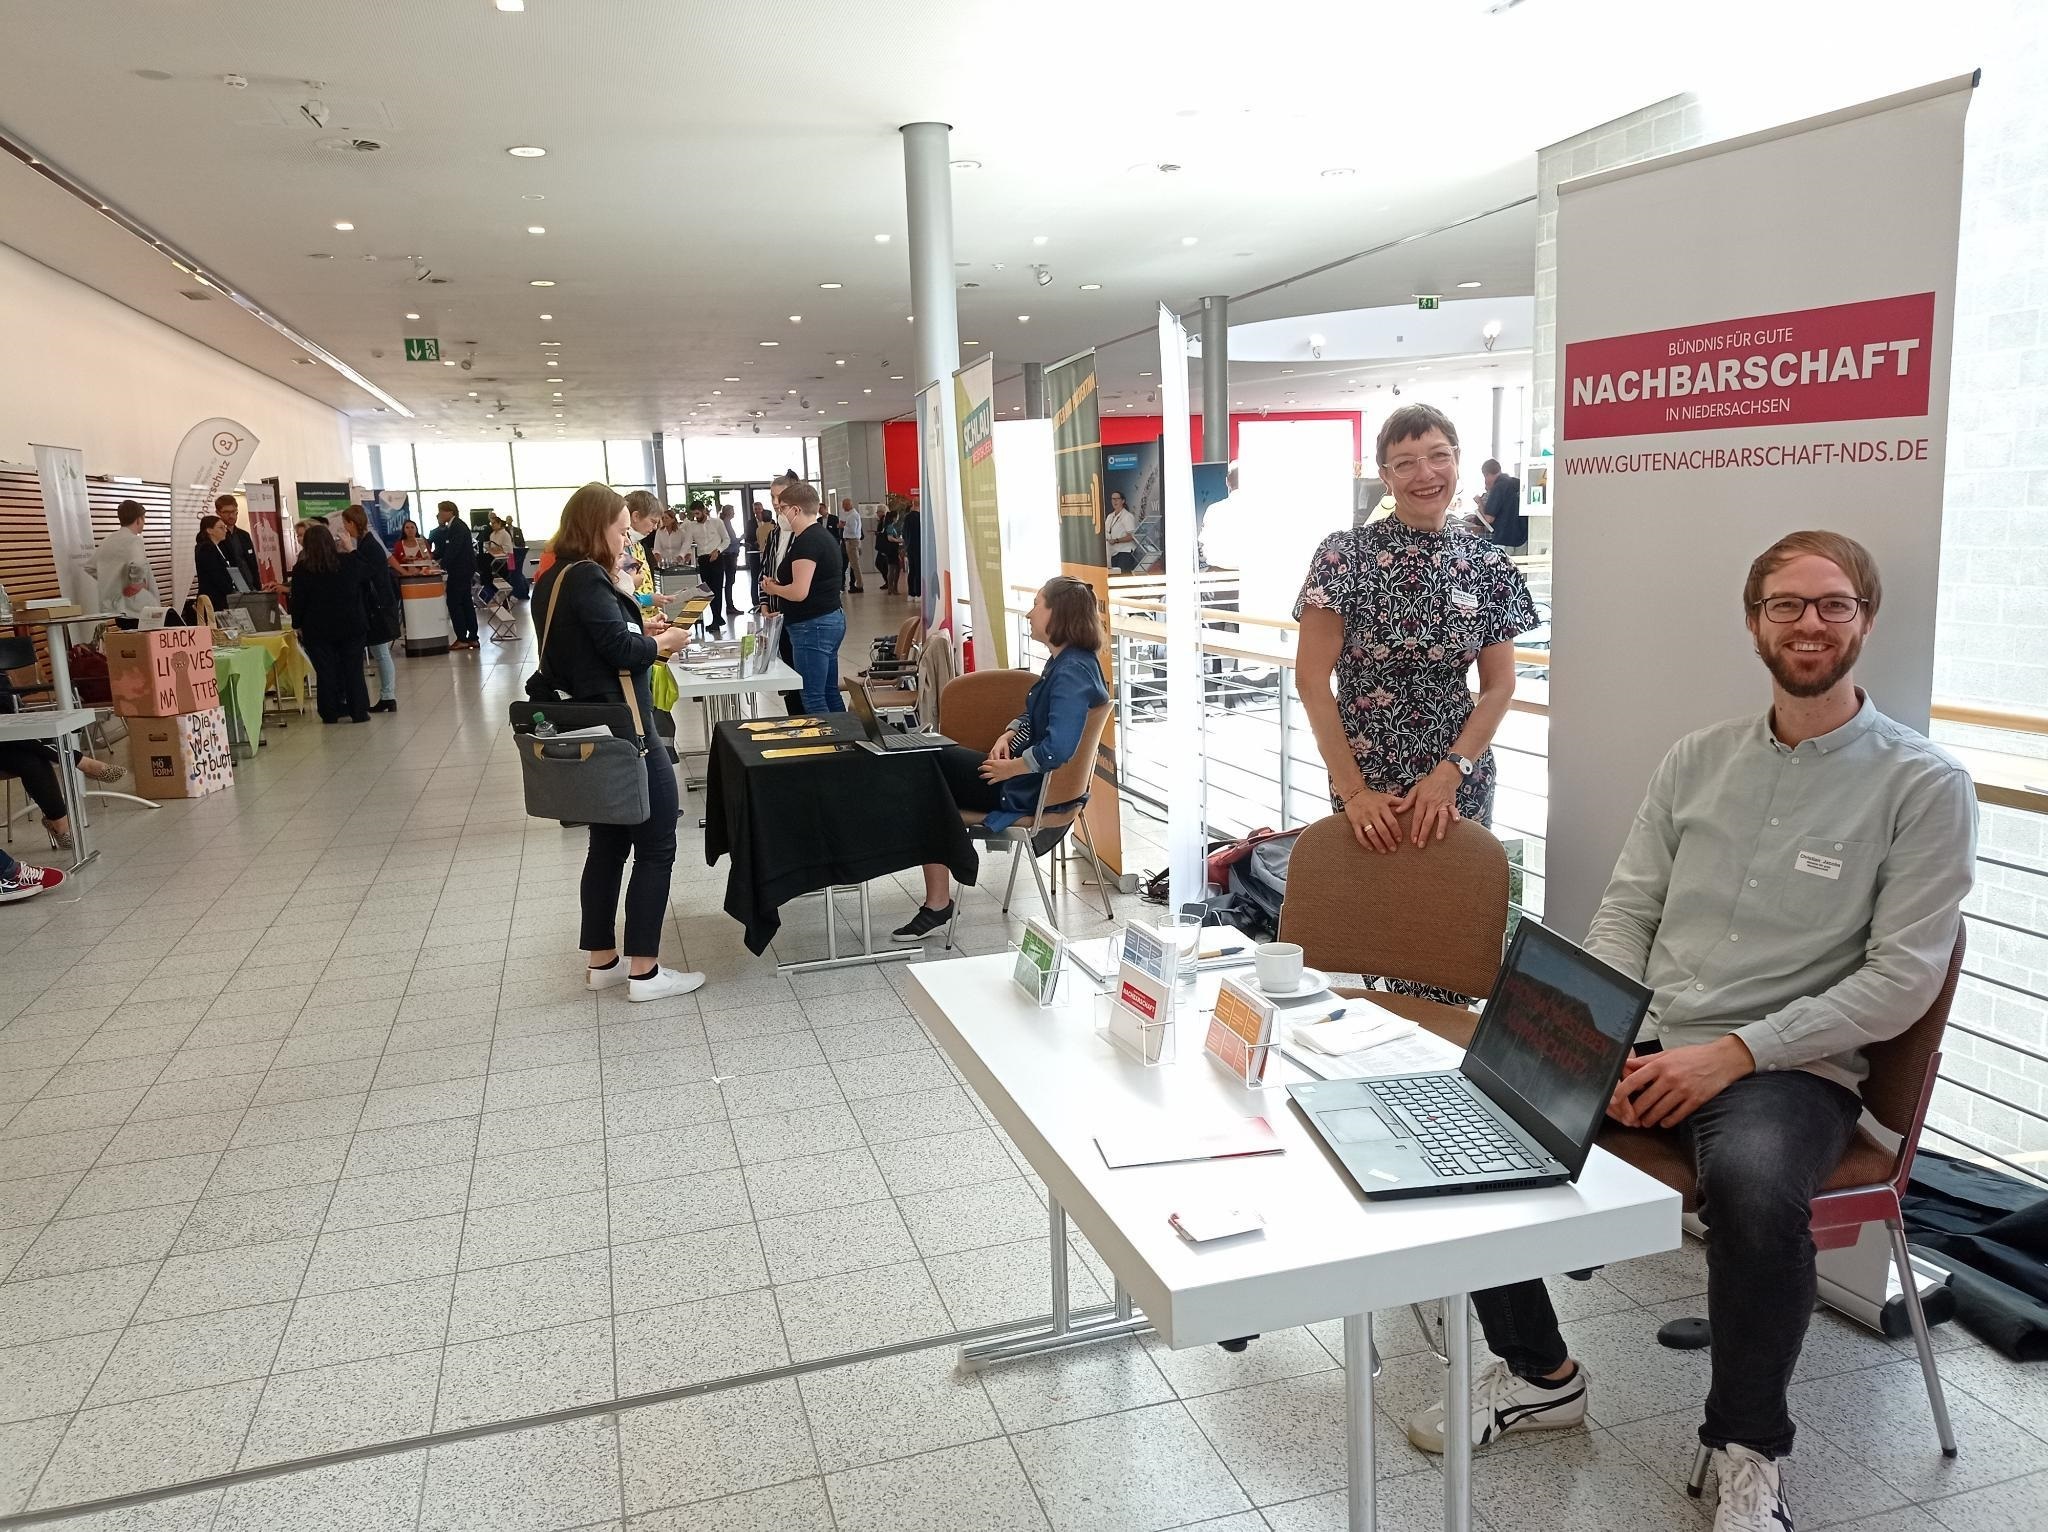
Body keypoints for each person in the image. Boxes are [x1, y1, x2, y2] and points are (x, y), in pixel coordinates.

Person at [1404, 531, 1976, 1532]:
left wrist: (1732, 1053)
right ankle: (1539, 1370)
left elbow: (1899, 980)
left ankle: (1745, 1445)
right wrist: (1607, 1034)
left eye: (1832, 604)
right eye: (1786, 604)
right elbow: (1627, 908)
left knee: (1755, 1191)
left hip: (1786, 1065)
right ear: (1753, 620)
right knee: (1476, 1112)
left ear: (1863, 621)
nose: (1809, 622)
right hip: (1653, 1034)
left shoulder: (1921, 785)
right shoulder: (1694, 760)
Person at [530, 482, 702, 1003]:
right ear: (596, 526)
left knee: (606, 845)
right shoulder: (587, 578)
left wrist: (635, 623)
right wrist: (660, 641)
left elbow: (585, 643)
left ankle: (602, 961)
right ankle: (645, 972)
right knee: (657, 843)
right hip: (626, 727)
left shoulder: (552, 577)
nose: (628, 540)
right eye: (622, 529)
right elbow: (617, 651)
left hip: (590, 724)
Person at [892, 576, 1109, 941]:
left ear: (1060, 615)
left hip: (1024, 789)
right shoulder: (1070, 663)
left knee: (924, 769)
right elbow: (1037, 715)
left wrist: (1012, 766)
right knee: (927, 767)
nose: (1028, 613)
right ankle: (943, 889)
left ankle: (939, 899)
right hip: (1024, 780)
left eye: (1037, 605)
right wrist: (1011, 732)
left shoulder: (1070, 671)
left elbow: (1058, 747)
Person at [760, 482, 845, 715]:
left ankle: (828, 746)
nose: (780, 513)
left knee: (813, 695)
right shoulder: (821, 536)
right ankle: (846, 740)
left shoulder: (807, 541)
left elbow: (799, 592)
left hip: (812, 625)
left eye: (782, 508)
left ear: (796, 510)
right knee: (829, 691)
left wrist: (774, 589)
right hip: (828, 619)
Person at [289, 522, 371, 724]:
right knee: (353, 669)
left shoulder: (301, 569)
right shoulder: (346, 562)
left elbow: (297, 600)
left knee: (325, 671)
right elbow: (367, 573)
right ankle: (358, 711)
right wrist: (351, 549)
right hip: (351, 625)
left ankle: (329, 711)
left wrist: (297, 624)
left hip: (317, 628)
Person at [341, 505, 403, 714]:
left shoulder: (369, 545)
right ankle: (387, 695)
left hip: (378, 606)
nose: (344, 528)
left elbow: (364, 572)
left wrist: (350, 552)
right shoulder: (366, 543)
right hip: (377, 605)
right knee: (380, 651)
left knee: (381, 651)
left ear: (352, 523)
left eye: (345, 523)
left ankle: (388, 695)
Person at [85, 499, 160, 624]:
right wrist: (136, 583)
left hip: (117, 608)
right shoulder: (134, 540)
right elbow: (139, 565)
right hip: (137, 608)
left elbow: (90, 567)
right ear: (138, 519)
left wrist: (111, 581)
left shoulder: (107, 540)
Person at [428, 501, 479, 649]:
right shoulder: (454, 526)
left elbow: (453, 550)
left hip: (460, 570)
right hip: (463, 570)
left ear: (450, 512)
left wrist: (440, 566)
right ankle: (472, 637)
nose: (439, 514)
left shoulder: (457, 527)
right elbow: (447, 549)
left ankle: (462, 638)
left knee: (454, 603)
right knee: (466, 603)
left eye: (441, 511)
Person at [193, 515, 248, 609]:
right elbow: (215, 574)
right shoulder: (206, 548)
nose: (225, 530)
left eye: (225, 527)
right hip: (213, 599)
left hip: (220, 597)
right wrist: (230, 589)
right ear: (209, 530)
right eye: (221, 528)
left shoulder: (217, 547)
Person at [1476, 458, 1527, 552]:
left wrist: (1480, 503)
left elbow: (1489, 518)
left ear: (1487, 474)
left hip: (1505, 539)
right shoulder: (1515, 483)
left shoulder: (1498, 487)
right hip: (1522, 538)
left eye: (1485, 477)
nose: (1485, 480)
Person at [214, 495, 263, 590]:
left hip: (251, 586)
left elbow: (252, 564)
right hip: (230, 588)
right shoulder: (216, 537)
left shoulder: (244, 535)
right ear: (218, 513)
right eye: (226, 512)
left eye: (233, 511)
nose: (231, 515)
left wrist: (258, 586)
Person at [1105, 489, 1141, 574]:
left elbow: (1131, 536)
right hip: (1113, 552)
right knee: (1115, 576)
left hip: (1125, 552)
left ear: (1123, 501)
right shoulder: (1110, 516)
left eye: (1117, 499)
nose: (1114, 501)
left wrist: (1116, 540)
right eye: (1113, 499)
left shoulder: (1127, 516)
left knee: (1123, 576)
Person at [839, 498, 865, 593]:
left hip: (852, 541)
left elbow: (853, 530)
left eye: (844, 505)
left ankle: (859, 585)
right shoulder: (849, 515)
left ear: (849, 505)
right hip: (849, 541)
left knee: (855, 565)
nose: (843, 507)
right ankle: (858, 584)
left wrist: (843, 526)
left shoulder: (853, 515)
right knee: (854, 564)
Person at [874, 508, 902, 595]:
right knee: (895, 569)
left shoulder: (886, 526)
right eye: (897, 517)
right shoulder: (890, 527)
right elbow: (890, 538)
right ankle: (894, 588)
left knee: (892, 568)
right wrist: (899, 540)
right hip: (892, 550)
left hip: (890, 550)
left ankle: (891, 588)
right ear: (894, 518)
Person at [902, 499, 923, 599]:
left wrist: (906, 546)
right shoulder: (921, 517)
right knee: (919, 570)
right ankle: (919, 593)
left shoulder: (907, 518)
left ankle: (911, 593)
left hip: (910, 547)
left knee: (912, 570)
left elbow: (904, 533)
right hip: (920, 547)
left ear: (913, 504)